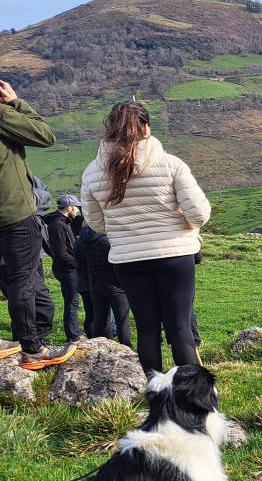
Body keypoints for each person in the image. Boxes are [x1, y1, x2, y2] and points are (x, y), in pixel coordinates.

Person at [81, 101, 211, 374]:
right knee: (180, 328)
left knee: (147, 329)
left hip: (128, 260)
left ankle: (155, 392)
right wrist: (180, 223)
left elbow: (96, 223)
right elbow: (199, 215)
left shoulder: (93, 172)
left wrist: (124, 227)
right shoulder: (170, 164)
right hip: (174, 255)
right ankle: (191, 395)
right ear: (145, 128)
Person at [0, 79, 74, 369]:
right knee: (23, 280)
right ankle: (32, 349)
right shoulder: (2, 115)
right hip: (13, 213)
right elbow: (45, 135)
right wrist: (14, 103)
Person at [76, 224, 131, 347]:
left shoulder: (80, 241)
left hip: (94, 284)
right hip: (115, 285)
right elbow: (118, 263)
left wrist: (90, 278)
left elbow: (80, 266)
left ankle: (103, 348)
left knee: (100, 320)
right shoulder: (108, 240)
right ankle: (126, 348)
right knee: (122, 320)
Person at [44, 194, 83, 344]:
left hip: (66, 267)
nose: (77, 210)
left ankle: (75, 333)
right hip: (67, 269)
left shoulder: (62, 222)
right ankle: (73, 336)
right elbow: (60, 252)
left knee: (73, 302)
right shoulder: (57, 225)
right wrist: (77, 264)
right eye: (76, 207)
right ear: (69, 207)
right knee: (72, 303)